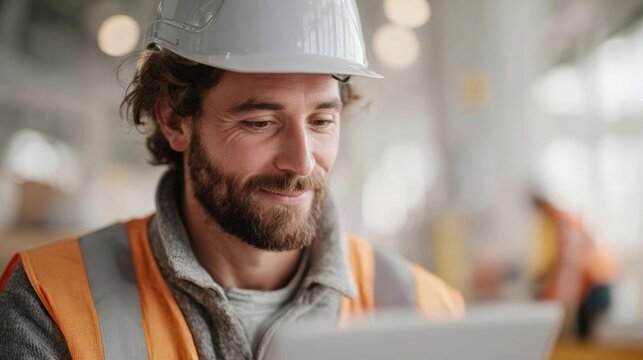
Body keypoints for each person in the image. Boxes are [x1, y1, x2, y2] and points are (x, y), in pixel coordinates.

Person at [0, 1, 464, 359]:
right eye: (260, 122)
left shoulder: (429, 309)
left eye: (322, 121)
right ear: (175, 121)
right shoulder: (51, 301)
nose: (301, 163)